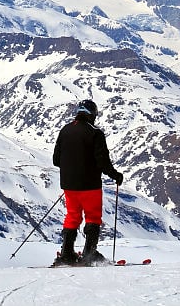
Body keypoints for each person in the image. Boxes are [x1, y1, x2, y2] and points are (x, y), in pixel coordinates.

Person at [52, 99, 124, 266]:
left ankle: (66, 254)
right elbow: (102, 162)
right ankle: (89, 254)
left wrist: (72, 169)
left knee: (72, 216)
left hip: (69, 185)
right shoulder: (95, 133)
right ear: (93, 114)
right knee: (92, 216)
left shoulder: (65, 130)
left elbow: (56, 160)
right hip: (90, 185)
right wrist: (116, 175)